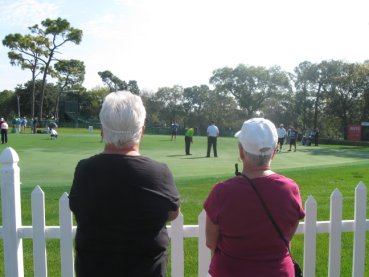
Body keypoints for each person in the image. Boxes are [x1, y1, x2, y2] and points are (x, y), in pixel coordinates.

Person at [69, 91, 180, 277]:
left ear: (102, 131)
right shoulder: (159, 172)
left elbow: (78, 207)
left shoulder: (85, 170)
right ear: (141, 131)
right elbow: (172, 213)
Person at [203, 118, 305, 277]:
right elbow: (288, 235)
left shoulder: (221, 192)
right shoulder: (290, 189)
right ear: (275, 150)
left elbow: (211, 241)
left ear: (241, 151)